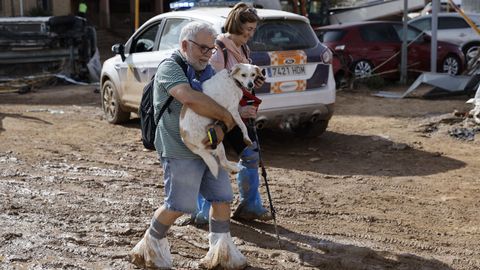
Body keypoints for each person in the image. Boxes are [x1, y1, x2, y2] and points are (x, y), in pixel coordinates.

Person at [129, 21, 247, 269]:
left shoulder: (209, 73)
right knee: (179, 205)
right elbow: (189, 97)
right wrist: (226, 117)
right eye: (203, 48)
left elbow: (222, 106)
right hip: (178, 148)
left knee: (222, 198)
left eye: (211, 49)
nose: (208, 54)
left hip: (209, 147)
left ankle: (221, 253)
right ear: (185, 45)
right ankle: (149, 246)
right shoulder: (170, 68)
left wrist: (222, 126)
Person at [192, 2, 272, 225]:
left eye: (253, 29)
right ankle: (203, 212)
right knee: (211, 161)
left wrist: (254, 81)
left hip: (237, 116)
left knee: (250, 155)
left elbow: (239, 84)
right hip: (216, 117)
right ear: (236, 25)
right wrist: (239, 108)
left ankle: (250, 206)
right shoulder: (220, 50)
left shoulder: (244, 49)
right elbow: (212, 91)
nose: (250, 33)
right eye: (247, 29)